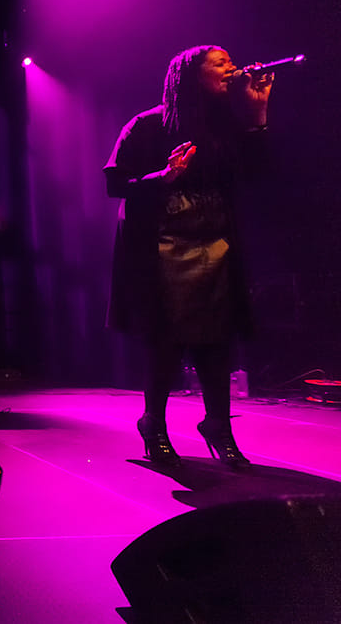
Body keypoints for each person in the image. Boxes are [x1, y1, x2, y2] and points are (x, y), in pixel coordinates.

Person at [104, 45, 272, 469]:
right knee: (166, 342)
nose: (232, 68)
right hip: (164, 245)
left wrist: (258, 111)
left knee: (217, 340)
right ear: (191, 75)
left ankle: (218, 425)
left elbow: (259, 174)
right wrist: (165, 176)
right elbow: (115, 185)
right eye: (221, 63)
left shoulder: (226, 126)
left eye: (231, 62)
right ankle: (154, 424)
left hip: (215, 242)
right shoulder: (147, 125)